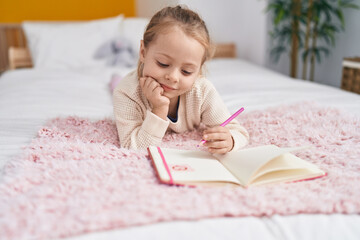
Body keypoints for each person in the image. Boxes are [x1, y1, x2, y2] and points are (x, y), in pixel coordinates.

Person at [113, 5, 249, 154]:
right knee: (115, 86)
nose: (173, 77)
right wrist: (159, 109)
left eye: (186, 71)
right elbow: (134, 148)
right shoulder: (127, 92)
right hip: (125, 86)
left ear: (198, 71)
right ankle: (113, 80)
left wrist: (230, 139)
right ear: (143, 52)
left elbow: (237, 131)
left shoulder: (201, 91)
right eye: (163, 64)